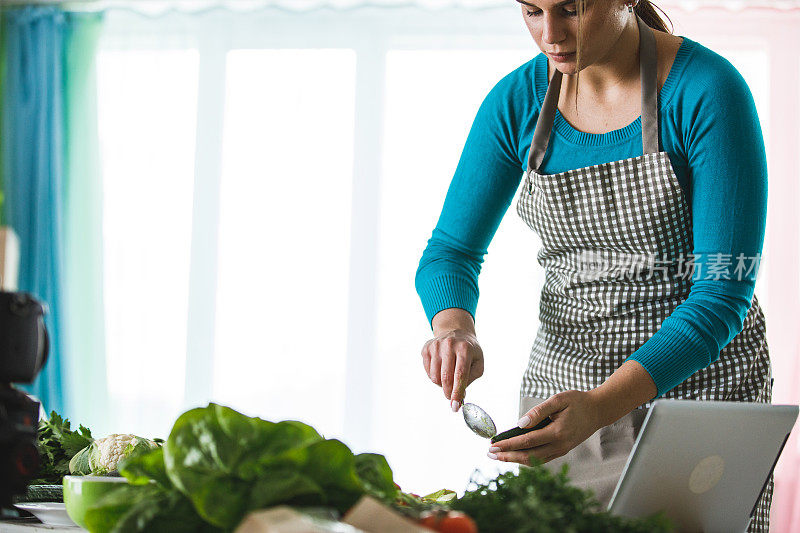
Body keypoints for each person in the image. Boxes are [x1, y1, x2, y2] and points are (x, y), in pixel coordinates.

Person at [414, 0, 772, 531]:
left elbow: (722, 294)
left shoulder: (706, 90)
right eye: (532, 11)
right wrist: (453, 326)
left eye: (571, 11)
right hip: (561, 396)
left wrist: (602, 405)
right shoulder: (520, 100)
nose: (550, 35)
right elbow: (451, 250)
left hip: (699, 397)